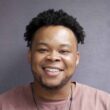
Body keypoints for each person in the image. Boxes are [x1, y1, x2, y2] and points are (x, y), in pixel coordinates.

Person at [0, 9, 110, 110]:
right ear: (30, 55)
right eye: (43, 50)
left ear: (76, 58)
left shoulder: (104, 104)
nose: (53, 57)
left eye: (63, 51)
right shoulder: (3, 104)